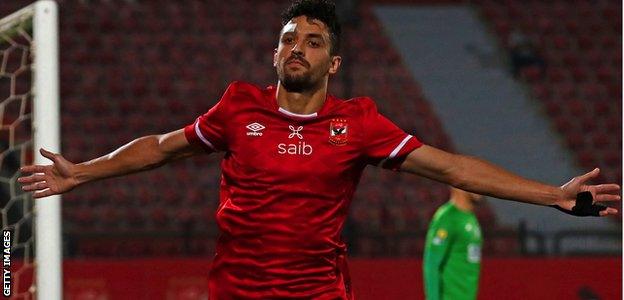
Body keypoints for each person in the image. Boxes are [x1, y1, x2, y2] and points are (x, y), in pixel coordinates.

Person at [18, 0, 620, 299]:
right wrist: (85, 173)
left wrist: (552, 196)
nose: (296, 48)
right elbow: (161, 147)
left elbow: (452, 165)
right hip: (236, 292)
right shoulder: (237, 106)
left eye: (311, 40)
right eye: (288, 40)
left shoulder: (358, 122)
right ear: (275, 55)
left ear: (334, 61)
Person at [423, 187, 484, 300]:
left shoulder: (470, 218)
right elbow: (432, 264)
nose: (481, 185)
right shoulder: (447, 217)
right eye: (474, 179)